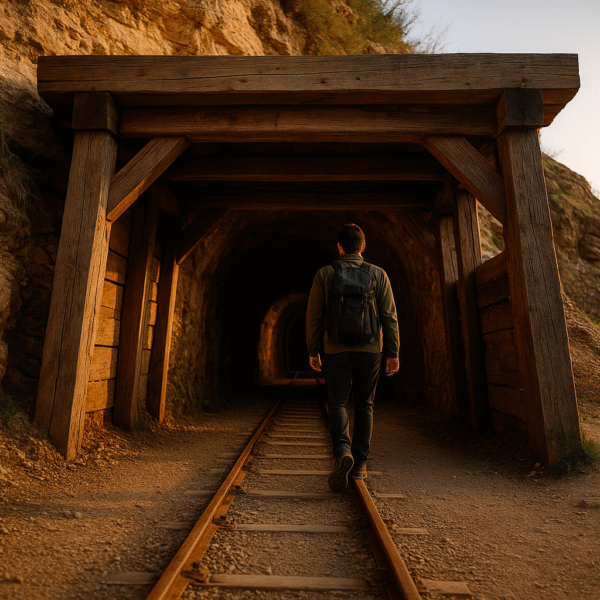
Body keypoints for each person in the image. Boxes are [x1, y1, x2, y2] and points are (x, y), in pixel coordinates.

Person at [306, 224, 400, 492]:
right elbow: (389, 317)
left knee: (337, 401)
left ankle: (342, 451)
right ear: (363, 246)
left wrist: (313, 349)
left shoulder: (325, 274)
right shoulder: (378, 274)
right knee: (365, 405)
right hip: (371, 349)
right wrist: (393, 352)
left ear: (339, 247)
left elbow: (313, 316)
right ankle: (359, 463)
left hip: (335, 349)